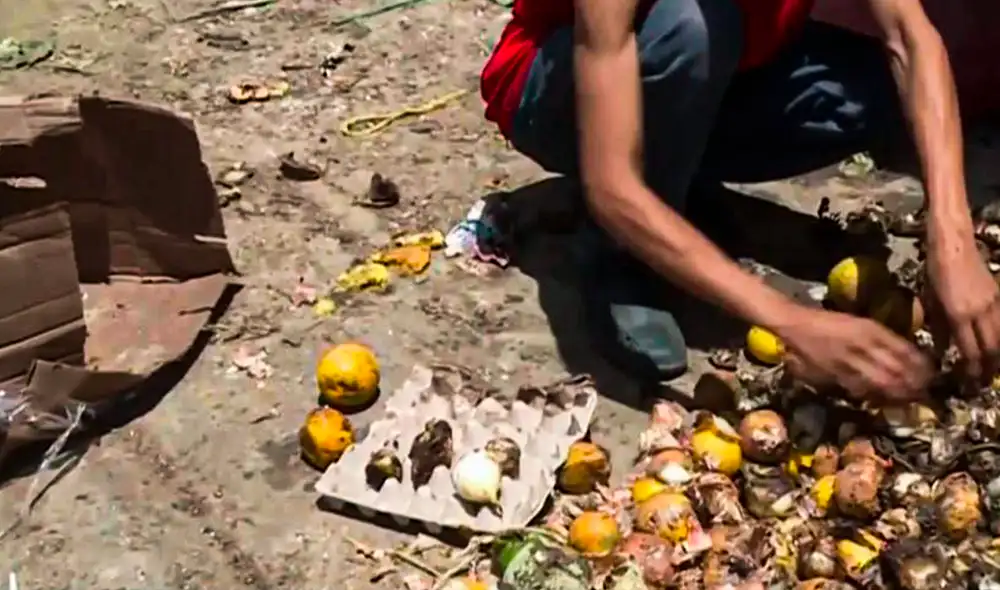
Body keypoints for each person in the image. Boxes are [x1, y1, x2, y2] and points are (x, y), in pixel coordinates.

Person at [480, 0, 1000, 403]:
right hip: (555, 87)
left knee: (869, 88)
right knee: (693, 28)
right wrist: (792, 321)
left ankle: (675, 190)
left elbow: (912, 39)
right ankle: (622, 256)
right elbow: (611, 184)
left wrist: (952, 236)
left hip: (722, 65)